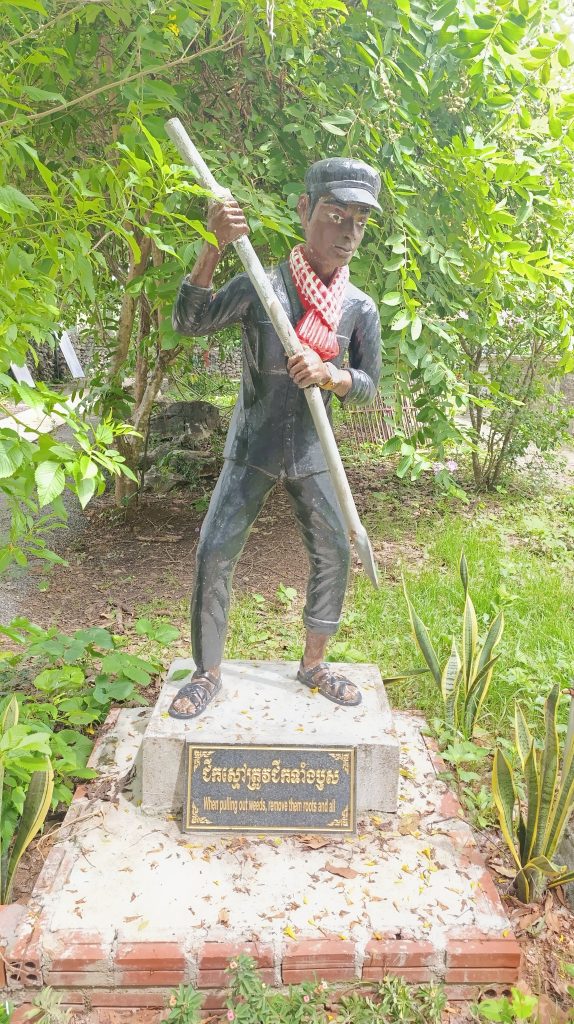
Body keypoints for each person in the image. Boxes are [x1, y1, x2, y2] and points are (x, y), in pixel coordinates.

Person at [169, 157, 382, 719]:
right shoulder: (260, 286)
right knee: (214, 552)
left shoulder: (359, 308)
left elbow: (367, 385)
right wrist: (214, 245)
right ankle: (206, 671)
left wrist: (334, 375)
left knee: (334, 551)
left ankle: (314, 665)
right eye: (336, 215)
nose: (347, 233)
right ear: (305, 210)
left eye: (359, 221)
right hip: (253, 449)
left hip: (315, 454)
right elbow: (190, 323)